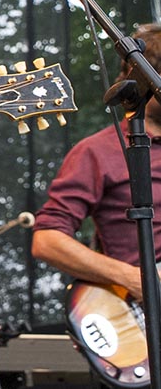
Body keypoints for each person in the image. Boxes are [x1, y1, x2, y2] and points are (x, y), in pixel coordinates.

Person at [32, 23, 161, 302]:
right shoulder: (98, 151)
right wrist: (134, 279)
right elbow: (48, 240)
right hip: (141, 315)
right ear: (143, 79)